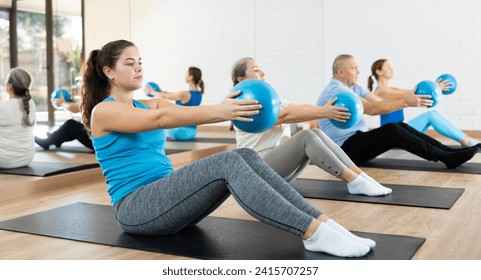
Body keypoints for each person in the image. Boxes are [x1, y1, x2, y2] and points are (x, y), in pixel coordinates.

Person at [80, 39, 375, 258]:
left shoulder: (148, 101)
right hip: (136, 208)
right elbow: (162, 118)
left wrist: (229, 106)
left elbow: (183, 110)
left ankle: (325, 226)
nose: (138, 67)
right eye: (129, 63)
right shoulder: (103, 113)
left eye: (140, 61)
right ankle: (313, 233)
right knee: (226, 162)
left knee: (243, 155)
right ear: (109, 72)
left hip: (167, 199)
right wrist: (225, 111)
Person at [232, 57, 391, 196]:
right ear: (241, 79)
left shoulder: (270, 98)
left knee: (315, 132)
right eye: (256, 70)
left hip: (277, 168)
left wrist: (325, 110)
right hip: (257, 172)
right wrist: (324, 112)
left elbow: (295, 107)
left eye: (261, 69)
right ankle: (354, 181)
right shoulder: (241, 103)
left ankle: (361, 176)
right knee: (306, 137)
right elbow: (284, 116)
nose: (262, 73)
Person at [317, 54, 480, 169]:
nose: (358, 71)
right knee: (393, 130)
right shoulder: (337, 91)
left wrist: (417, 96)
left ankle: (448, 152)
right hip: (343, 151)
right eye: (354, 68)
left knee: (398, 126)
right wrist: (405, 103)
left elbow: (379, 102)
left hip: (356, 142)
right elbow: (372, 110)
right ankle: (445, 157)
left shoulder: (353, 88)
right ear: (340, 72)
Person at [368, 59, 479, 147]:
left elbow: (412, 92)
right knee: (431, 115)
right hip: (391, 134)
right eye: (388, 67)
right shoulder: (380, 91)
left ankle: (465, 139)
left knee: (432, 115)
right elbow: (412, 93)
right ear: (379, 71)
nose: (392, 69)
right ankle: (466, 140)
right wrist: (437, 87)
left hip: (400, 129)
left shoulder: (391, 88)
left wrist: (435, 87)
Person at [149, 67, 204, 140]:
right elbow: (171, 94)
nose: (185, 76)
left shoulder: (184, 94)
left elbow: (166, 96)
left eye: (186, 74)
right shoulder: (198, 94)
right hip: (192, 132)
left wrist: (152, 92)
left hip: (180, 132)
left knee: (159, 121)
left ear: (191, 77)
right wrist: (161, 91)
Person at [0, 68, 36, 169]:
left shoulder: (3, 107)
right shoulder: (31, 104)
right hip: (27, 158)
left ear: (10, 86)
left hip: (4, 160)